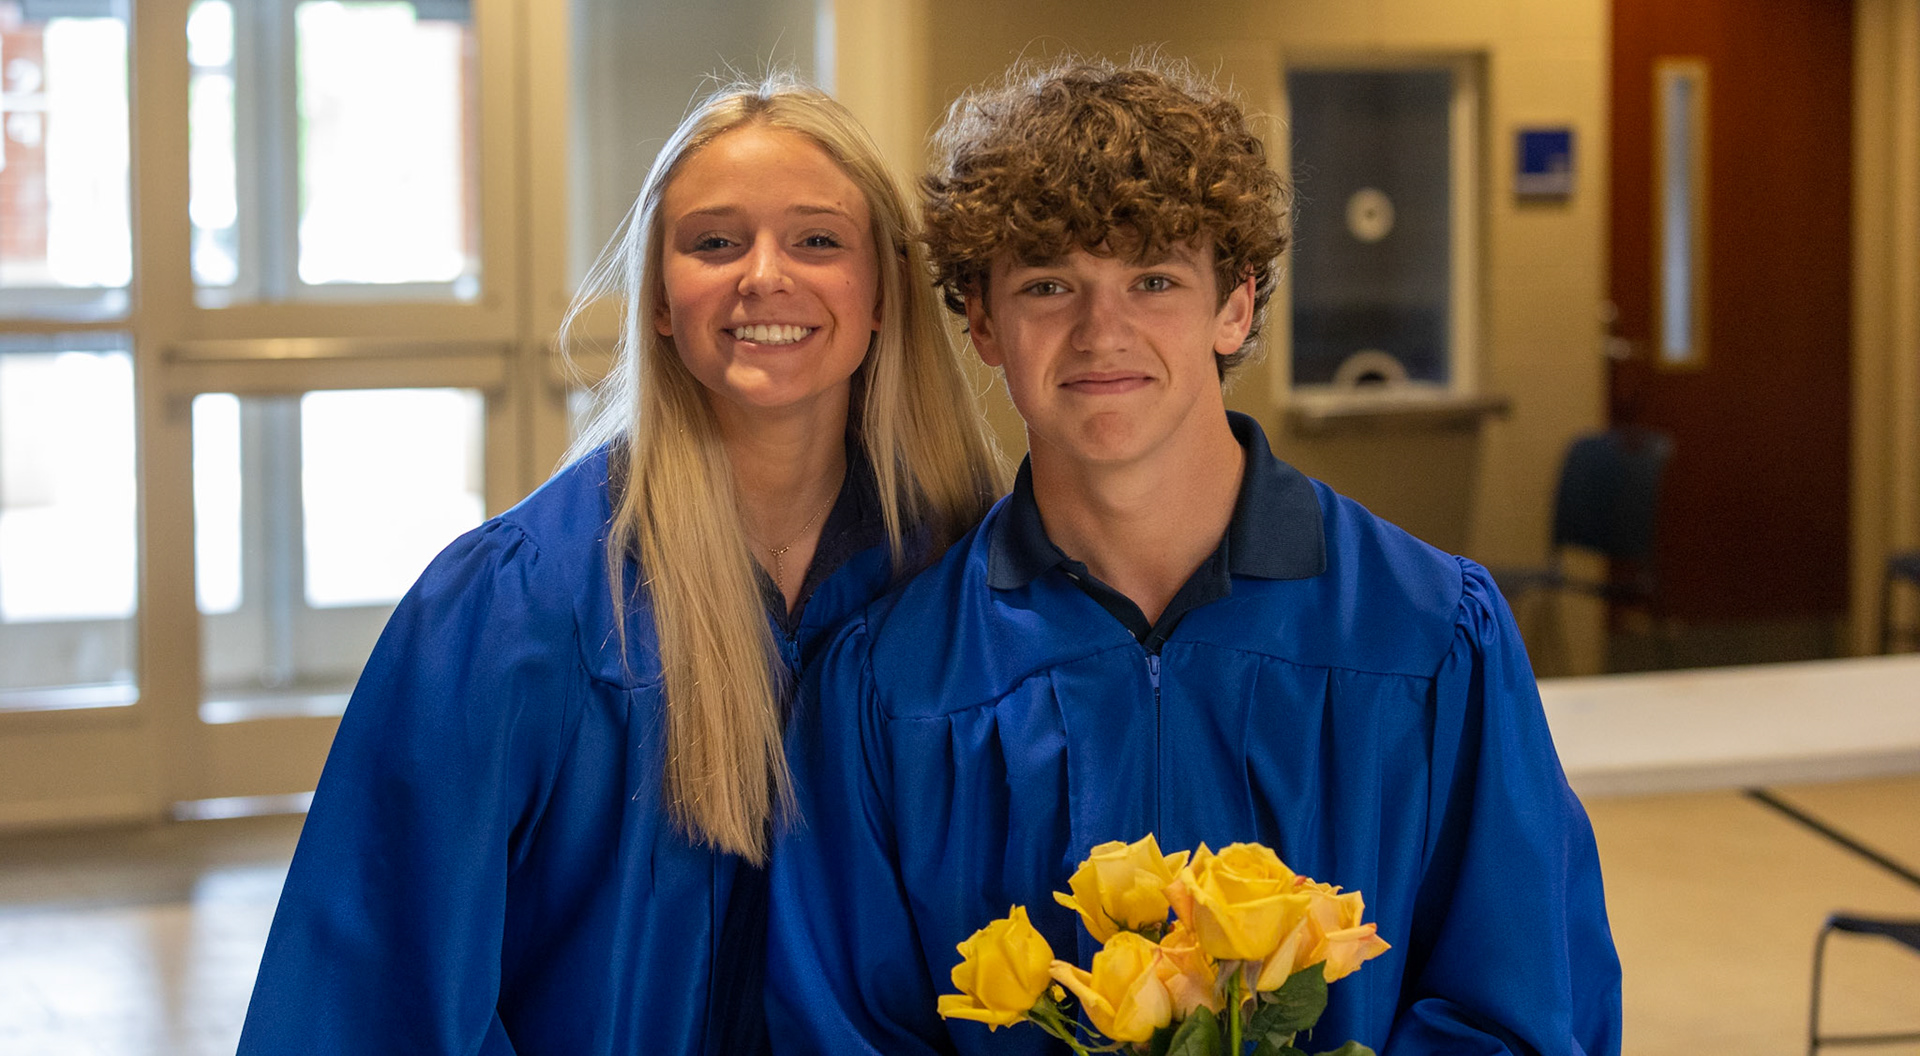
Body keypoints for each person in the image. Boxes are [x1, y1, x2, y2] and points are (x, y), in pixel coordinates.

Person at [766, 57, 1623, 1054]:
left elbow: (1522, 1006)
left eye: (1154, 278)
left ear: (1237, 304)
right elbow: (844, 1028)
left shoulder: (1429, 633)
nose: (1102, 330)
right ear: (985, 321)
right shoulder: (894, 682)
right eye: (1049, 283)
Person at [237, 77, 1003, 1056]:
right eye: (714, 241)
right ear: (660, 302)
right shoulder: (516, 609)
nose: (763, 276)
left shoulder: (958, 588)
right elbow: (377, 996)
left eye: (817, 239)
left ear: (885, 292)